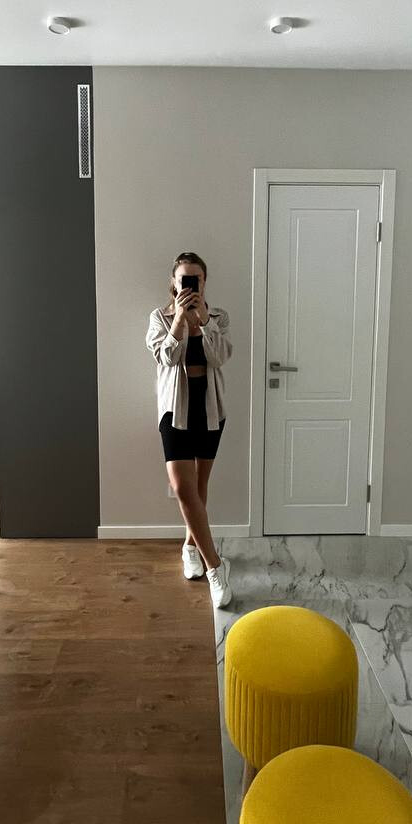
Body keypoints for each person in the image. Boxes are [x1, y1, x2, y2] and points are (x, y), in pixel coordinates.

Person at [145, 251, 233, 608]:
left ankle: (190, 547)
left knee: (199, 486)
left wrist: (204, 321)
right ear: (174, 282)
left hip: (209, 409)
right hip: (175, 411)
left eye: (196, 279)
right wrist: (180, 319)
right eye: (184, 279)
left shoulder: (218, 317)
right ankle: (215, 567)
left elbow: (220, 356)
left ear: (204, 281)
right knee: (183, 488)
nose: (190, 285)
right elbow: (165, 357)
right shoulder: (160, 317)